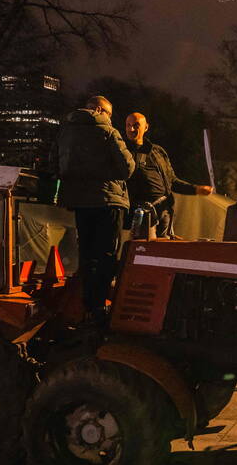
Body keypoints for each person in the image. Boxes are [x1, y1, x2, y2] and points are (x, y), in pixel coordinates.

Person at [54, 95, 135, 321]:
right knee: (107, 254)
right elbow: (128, 168)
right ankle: (99, 307)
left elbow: (56, 163)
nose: (109, 119)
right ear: (100, 110)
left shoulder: (65, 132)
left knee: (87, 254)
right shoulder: (108, 132)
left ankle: (86, 305)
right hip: (107, 201)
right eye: (108, 114)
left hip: (80, 202)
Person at [123, 112, 213, 239]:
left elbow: (172, 181)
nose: (131, 129)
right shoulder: (123, 152)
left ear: (146, 127)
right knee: (145, 251)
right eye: (128, 125)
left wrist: (196, 189)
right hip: (142, 215)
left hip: (165, 211)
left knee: (163, 251)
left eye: (136, 125)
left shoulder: (158, 152)